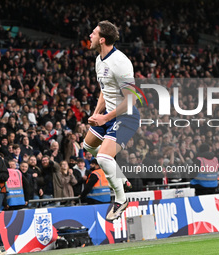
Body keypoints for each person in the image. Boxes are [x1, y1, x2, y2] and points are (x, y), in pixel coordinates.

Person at [83, 20, 140, 221]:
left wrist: (105, 117)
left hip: (125, 116)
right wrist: (96, 113)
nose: (90, 35)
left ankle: (120, 199)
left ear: (102, 39)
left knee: (103, 158)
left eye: (93, 33)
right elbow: (104, 89)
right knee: (88, 145)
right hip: (108, 114)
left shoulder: (120, 62)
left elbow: (131, 100)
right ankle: (119, 176)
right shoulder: (100, 59)